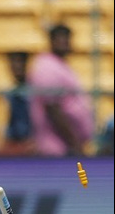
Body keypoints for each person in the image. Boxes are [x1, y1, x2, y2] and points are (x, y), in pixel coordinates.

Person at [28, 24, 94, 157]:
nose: (64, 42)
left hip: (66, 147)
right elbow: (53, 109)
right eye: (60, 38)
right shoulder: (47, 67)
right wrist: (73, 143)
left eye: (67, 38)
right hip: (57, 148)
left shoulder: (60, 65)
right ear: (51, 40)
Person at [0, 52, 36, 157]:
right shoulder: (8, 93)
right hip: (11, 142)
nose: (17, 66)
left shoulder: (36, 92)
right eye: (13, 62)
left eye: (21, 62)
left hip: (31, 143)